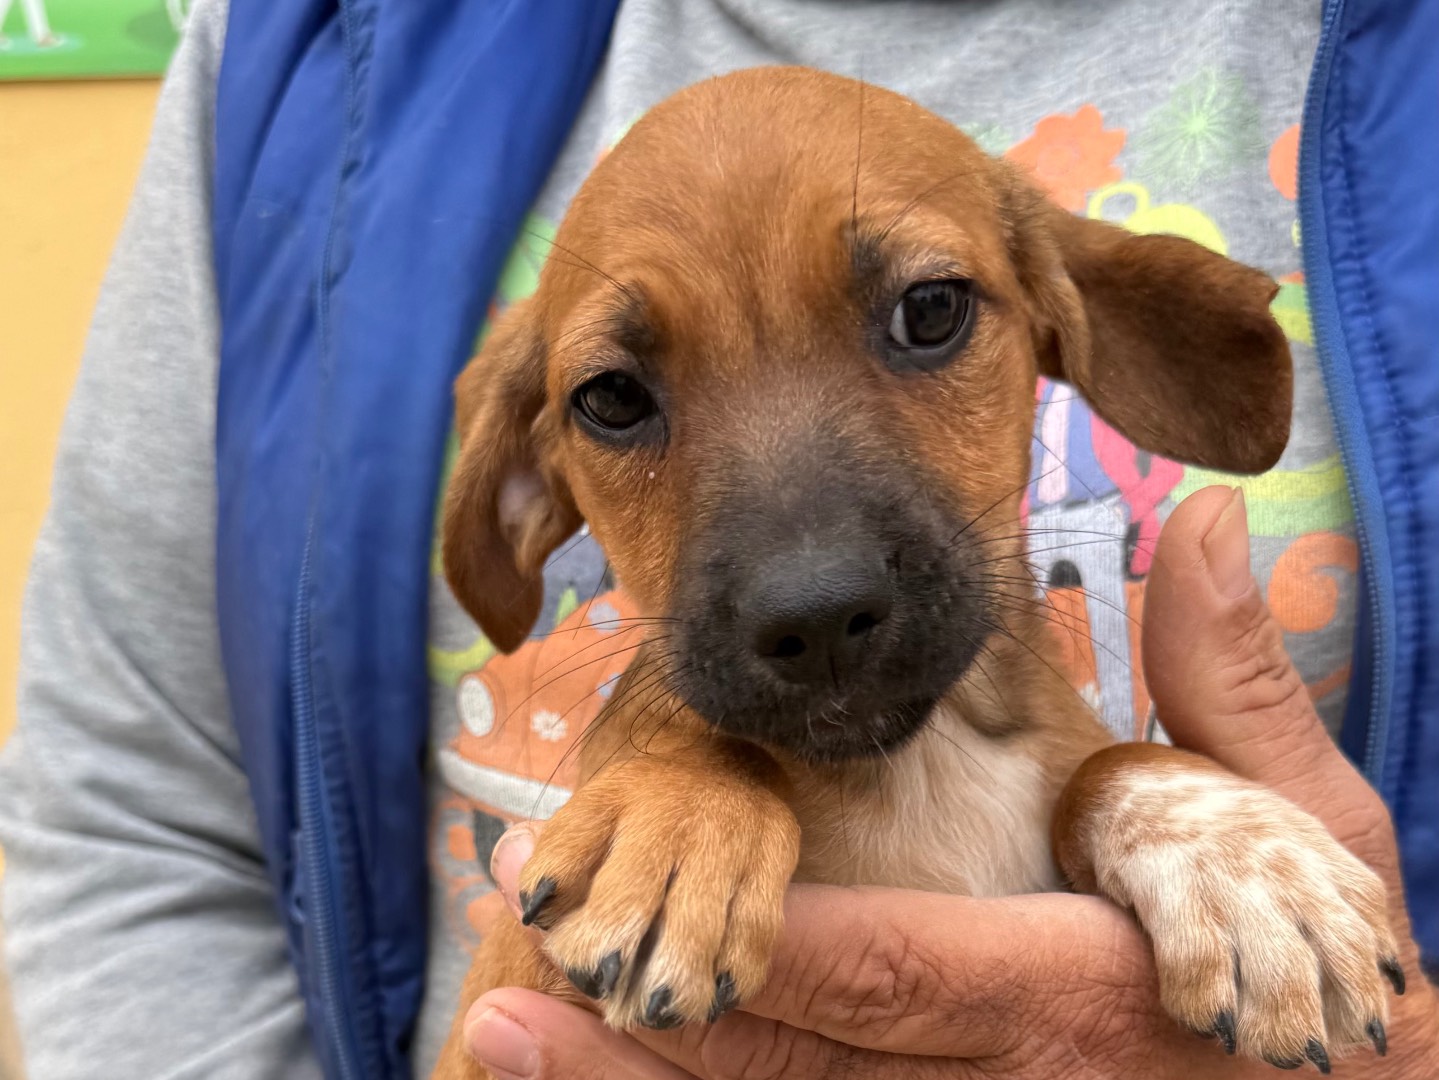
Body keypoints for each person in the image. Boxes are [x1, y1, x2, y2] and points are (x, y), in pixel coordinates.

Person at [0, 0, 1433, 1077]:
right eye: (621, 402)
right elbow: (125, 811)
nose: (810, 580)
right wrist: (685, 777)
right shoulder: (317, 54)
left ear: (1075, 318)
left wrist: (1145, 809)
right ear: (526, 496)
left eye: (925, 318)